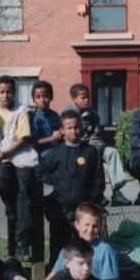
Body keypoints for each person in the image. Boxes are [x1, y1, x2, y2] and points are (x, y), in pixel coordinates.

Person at [0, 75, 44, 262]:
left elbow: (23, 138)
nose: (6, 95)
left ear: (15, 92)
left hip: (20, 155)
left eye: (9, 92)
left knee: (25, 188)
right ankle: (12, 209)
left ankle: (22, 242)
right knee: (1, 176)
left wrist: (1, 155)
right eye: (2, 92)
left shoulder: (22, 110)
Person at [36, 111, 105, 260]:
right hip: (62, 209)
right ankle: (57, 275)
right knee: (60, 246)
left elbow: (99, 179)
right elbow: (40, 171)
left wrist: (91, 201)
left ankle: (89, 274)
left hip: (84, 208)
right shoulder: (56, 152)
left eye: (76, 127)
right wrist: (56, 181)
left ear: (81, 127)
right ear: (61, 130)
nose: (73, 131)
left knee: (86, 244)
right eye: (69, 128)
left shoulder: (90, 151)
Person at [32, 202, 119, 280]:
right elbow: (52, 276)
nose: (91, 229)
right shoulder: (68, 249)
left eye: (95, 226)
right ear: (76, 225)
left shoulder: (105, 250)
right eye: (86, 225)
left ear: (100, 227)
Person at [63, 83, 132, 206]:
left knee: (112, 152)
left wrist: (97, 147)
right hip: (76, 149)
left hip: (94, 146)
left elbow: (96, 134)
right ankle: (97, 195)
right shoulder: (67, 113)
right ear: (74, 99)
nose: (87, 100)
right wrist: (85, 130)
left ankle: (117, 193)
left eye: (88, 97)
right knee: (92, 158)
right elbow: (68, 135)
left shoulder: (93, 113)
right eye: (83, 98)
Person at [30, 81, 63, 158]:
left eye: (45, 96)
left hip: (57, 148)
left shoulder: (55, 115)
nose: (42, 100)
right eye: (38, 97)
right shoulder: (33, 118)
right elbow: (32, 143)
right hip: (41, 152)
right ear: (34, 100)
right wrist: (53, 138)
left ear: (51, 97)